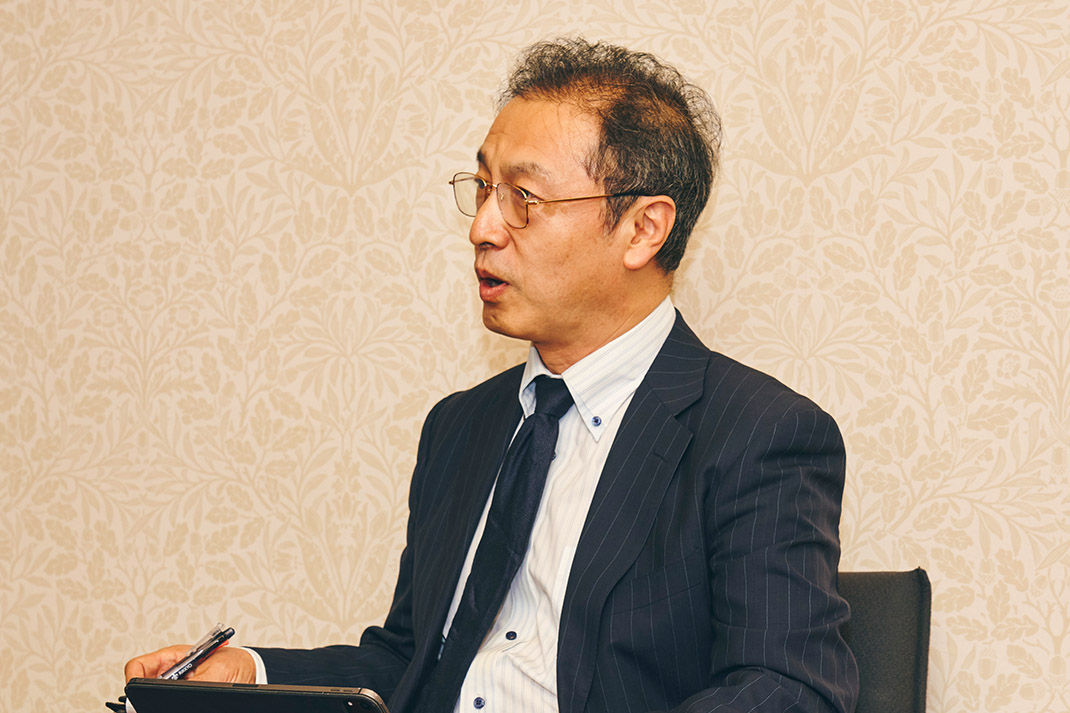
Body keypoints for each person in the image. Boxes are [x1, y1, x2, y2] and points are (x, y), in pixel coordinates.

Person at [125, 38, 859, 713]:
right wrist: (250, 671)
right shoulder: (461, 426)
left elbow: (788, 687)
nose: (482, 227)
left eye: (523, 199)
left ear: (643, 228)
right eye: (482, 188)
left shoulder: (757, 434)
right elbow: (414, 660)